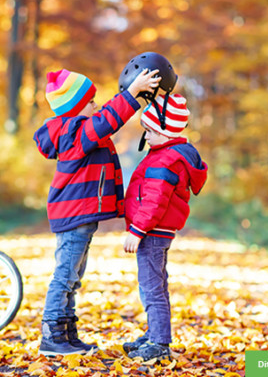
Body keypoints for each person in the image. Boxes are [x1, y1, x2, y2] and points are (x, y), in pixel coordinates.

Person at [34, 67, 161, 356]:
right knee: (65, 275)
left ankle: (66, 333)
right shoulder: (75, 132)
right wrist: (131, 93)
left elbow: (104, 120)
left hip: (79, 216)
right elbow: (108, 121)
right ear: (76, 108)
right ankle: (52, 335)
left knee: (73, 276)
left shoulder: (77, 131)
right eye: (91, 101)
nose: (96, 105)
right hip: (73, 216)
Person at [122, 93, 208, 362]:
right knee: (153, 284)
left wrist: (137, 230)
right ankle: (154, 334)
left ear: (165, 131)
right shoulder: (163, 154)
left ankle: (159, 343)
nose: (145, 137)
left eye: (150, 131)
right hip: (156, 232)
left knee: (152, 288)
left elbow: (155, 201)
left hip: (152, 232)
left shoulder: (166, 160)